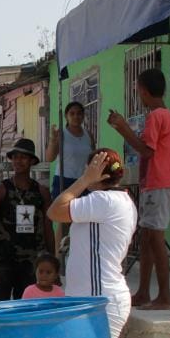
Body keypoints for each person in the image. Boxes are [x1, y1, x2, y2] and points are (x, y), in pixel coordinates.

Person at [47, 150, 137, 338]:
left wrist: (84, 180)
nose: (85, 173)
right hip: (96, 297)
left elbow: (55, 211)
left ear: (97, 173)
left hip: (99, 299)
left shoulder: (103, 200)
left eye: (88, 169)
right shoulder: (117, 200)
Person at [107, 69, 170, 310]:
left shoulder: (156, 116)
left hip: (158, 182)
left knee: (156, 238)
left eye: (138, 90)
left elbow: (147, 150)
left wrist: (123, 129)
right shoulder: (164, 115)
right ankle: (145, 292)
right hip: (156, 182)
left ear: (145, 91)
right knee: (148, 238)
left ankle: (164, 295)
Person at [0, 138, 53, 301]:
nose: (18, 161)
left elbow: (48, 228)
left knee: (26, 312)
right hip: (3, 262)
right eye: (15, 157)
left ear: (31, 161)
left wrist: (52, 262)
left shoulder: (42, 192)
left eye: (23, 157)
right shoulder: (0, 191)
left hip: (31, 264)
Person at [46, 101, 95, 253]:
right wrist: (54, 140)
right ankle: (57, 258)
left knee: (82, 219)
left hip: (83, 181)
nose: (76, 116)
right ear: (66, 116)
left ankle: (79, 253)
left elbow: (92, 157)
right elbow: (50, 157)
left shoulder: (88, 135)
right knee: (64, 221)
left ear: (83, 116)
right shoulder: (61, 134)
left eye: (79, 113)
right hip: (64, 180)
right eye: (72, 114)